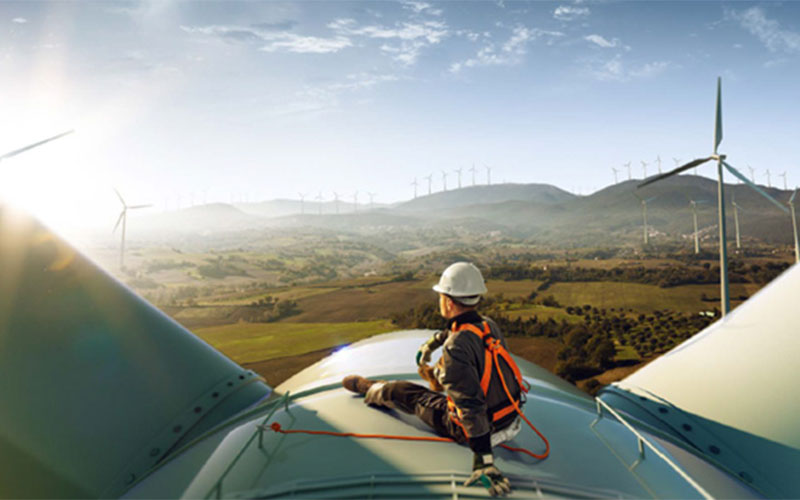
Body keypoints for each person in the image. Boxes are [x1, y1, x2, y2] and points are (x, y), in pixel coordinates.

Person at [342, 262, 524, 497]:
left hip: (479, 430)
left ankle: (371, 389)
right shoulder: (488, 325)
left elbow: (470, 405)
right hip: (510, 418)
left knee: (406, 392)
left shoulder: (456, 348)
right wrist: (432, 343)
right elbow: (459, 331)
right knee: (444, 386)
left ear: (448, 302)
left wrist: (484, 460)